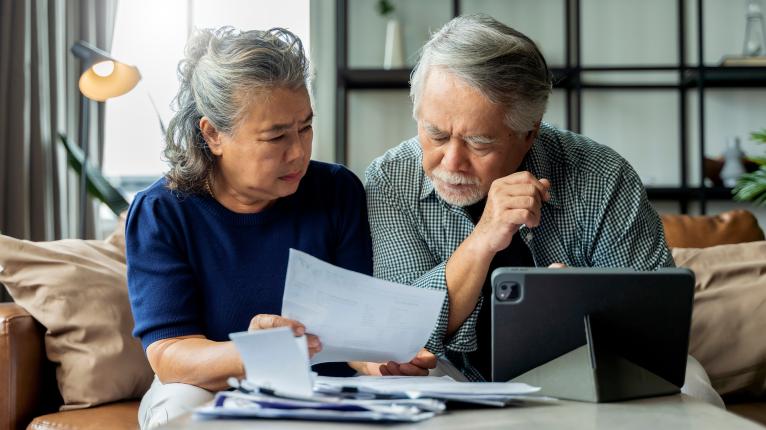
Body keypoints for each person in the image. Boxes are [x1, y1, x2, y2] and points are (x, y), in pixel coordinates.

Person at [364, 14, 723, 406]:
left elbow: (658, 324)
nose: (451, 162)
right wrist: (485, 237)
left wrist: (580, 307)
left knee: (692, 383)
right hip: (450, 371)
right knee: (398, 385)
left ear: (529, 132)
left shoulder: (602, 176)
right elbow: (399, 330)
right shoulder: (390, 180)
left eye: (479, 143)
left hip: (586, 364)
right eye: (435, 134)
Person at [125, 27, 434, 430]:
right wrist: (257, 352)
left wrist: (379, 360)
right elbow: (169, 355)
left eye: (305, 128)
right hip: (209, 387)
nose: (300, 152)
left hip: (323, 385)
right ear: (213, 134)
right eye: (276, 137)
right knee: (181, 410)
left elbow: (350, 332)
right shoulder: (163, 211)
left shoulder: (336, 191)